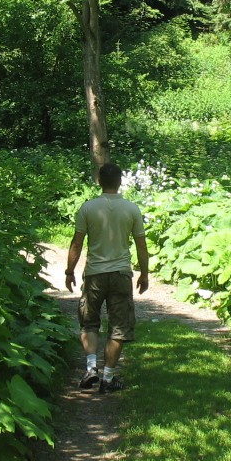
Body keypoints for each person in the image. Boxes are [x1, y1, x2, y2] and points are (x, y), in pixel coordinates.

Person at [65, 162, 149, 393]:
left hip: (94, 275)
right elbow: (141, 246)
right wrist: (144, 273)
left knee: (89, 322)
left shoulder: (88, 208)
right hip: (121, 273)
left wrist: (70, 271)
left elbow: (77, 242)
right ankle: (109, 378)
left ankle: (91, 369)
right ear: (120, 181)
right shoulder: (131, 209)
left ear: (99, 181)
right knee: (119, 327)